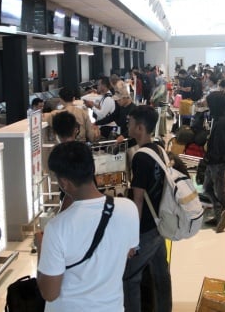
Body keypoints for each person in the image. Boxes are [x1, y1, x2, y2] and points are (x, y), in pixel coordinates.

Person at [36, 141, 139, 311]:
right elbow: (129, 251)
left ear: (64, 182)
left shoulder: (57, 228)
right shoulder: (128, 209)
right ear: (92, 168)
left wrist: (41, 247)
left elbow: (49, 293)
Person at [123, 105, 172, 312]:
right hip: (161, 220)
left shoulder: (140, 157)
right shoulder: (159, 149)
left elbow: (138, 199)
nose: (128, 125)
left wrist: (132, 238)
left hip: (147, 227)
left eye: (130, 122)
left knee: (129, 277)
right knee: (160, 272)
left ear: (140, 128)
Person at [202, 91, 225, 232]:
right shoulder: (220, 118)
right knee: (208, 187)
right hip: (214, 161)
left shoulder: (220, 122)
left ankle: (221, 216)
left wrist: (209, 158)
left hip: (217, 162)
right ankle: (220, 211)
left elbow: (219, 146)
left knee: (219, 190)